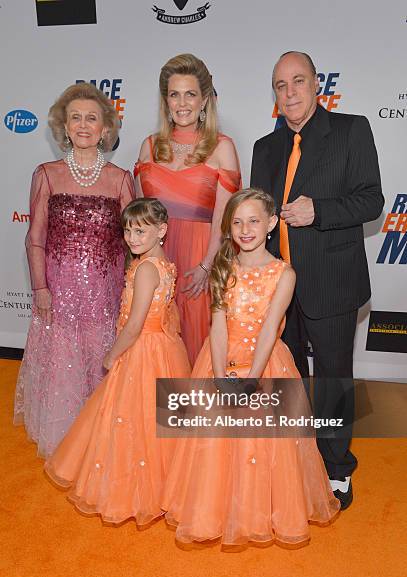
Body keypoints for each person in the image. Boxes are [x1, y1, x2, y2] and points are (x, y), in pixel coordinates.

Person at [162, 188, 340, 547]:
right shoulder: (223, 269)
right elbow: (217, 326)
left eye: (254, 221)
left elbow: (272, 329)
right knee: (216, 444)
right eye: (238, 222)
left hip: (265, 366)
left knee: (262, 446)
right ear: (228, 228)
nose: (245, 229)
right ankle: (217, 508)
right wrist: (218, 373)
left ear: (271, 224)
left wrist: (250, 380)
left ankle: (259, 512)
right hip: (219, 362)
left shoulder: (283, 273)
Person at [250, 51, 384, 509]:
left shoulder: (350, 129)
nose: (289, 93)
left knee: (331, 379)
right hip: (278, 286)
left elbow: (371, 201)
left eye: (298, 81)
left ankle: (336, 467)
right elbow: (260, 216)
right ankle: (293, 456)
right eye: (280, 85)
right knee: (286, 376)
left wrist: (319, 211)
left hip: (332, 281)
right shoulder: (264, 148)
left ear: (316, 84)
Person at [44, 198, 191, 526]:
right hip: (164, 348)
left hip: (141, 350)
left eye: (141, 231)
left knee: (131, 419)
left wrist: (112, 354)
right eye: (127, 230)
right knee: (157, 422)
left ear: (161, 230)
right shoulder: (167, 264)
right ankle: (167, 488)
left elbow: (134, 324)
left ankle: (137, 493)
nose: (133, 238)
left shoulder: (145, 269)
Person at [14, 83, 135, 458]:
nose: (84, 125)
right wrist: (40, 289)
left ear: (106, 129)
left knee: (101, 362)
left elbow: (136, 243)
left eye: (92, 118)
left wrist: (132, 293)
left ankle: (99, 439)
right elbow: (34, 239)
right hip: (59, 295)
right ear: (64, 127)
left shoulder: (121, 179)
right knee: (63, 367)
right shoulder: (47, 174)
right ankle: (66, 443)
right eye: (76, 118)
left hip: (106, 295)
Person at [134, 53, 241, 364]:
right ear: (165, 100)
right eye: (174, 94)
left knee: (196, 343)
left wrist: (207, 265)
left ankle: (196, 411)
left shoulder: (222, 148)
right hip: (156, 264)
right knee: (156, 345)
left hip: (200, 263)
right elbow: (139, 219)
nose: (182, 103)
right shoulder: (149, 147)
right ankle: (161, 411)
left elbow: (225, 219)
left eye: (190, 94)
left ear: (204, 99)